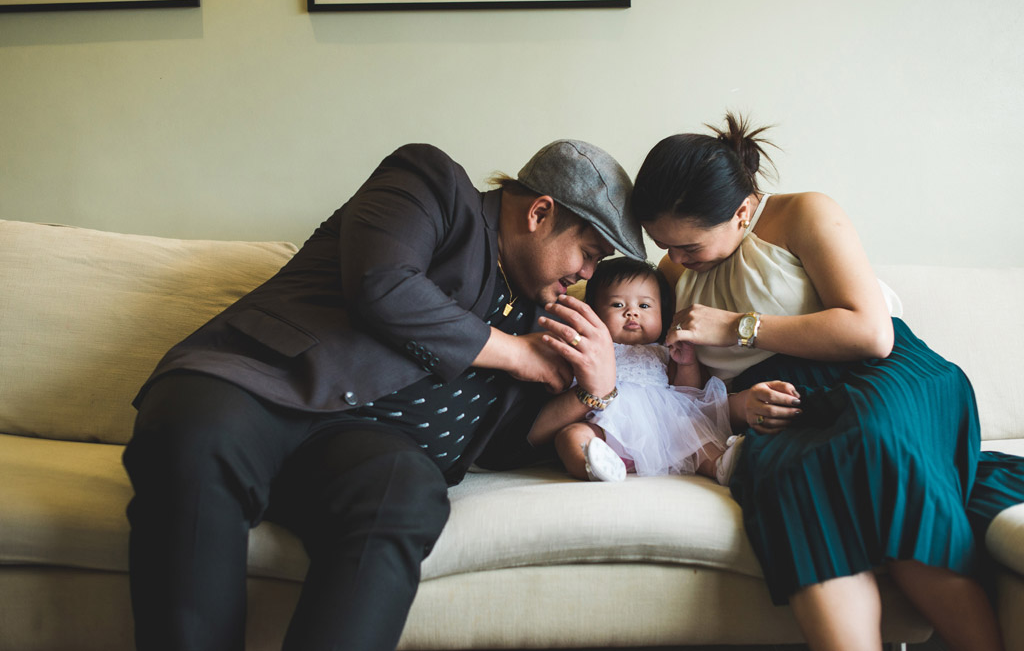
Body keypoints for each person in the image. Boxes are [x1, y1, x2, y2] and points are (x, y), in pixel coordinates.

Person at [121, 139, 646, 651]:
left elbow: (506, 442)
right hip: (258, 385)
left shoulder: (544, 317)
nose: (586, 275)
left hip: (366, 451)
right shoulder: (432, 184)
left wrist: (596, 389)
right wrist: (516, 354)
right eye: (588, 253)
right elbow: (383, 284)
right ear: (539, 213)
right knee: (197, 445)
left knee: (408, 493)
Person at [626, 113, 1024, 651]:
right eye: (663, 245)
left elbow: (870, 333)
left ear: (741, 211)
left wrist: (735, 327)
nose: (674, 260)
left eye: (688, 247)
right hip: (790, 408)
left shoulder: (802, 213)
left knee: (876, 445)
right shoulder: (672, 276)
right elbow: (677, 386)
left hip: (881, 375)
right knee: (786, 483)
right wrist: (737, 403)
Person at [529, 257, 797, 485]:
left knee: (694, 436)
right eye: (617, 305)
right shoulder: (593, 347)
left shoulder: (663, 350)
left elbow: (685, 392)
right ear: (593, 314)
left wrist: (686, 364)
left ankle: (719, 464)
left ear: (663, 313)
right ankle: (594, 465)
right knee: (571, 436)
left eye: (644, 306)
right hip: (604, 425)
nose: (632, 313)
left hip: (663, 427)